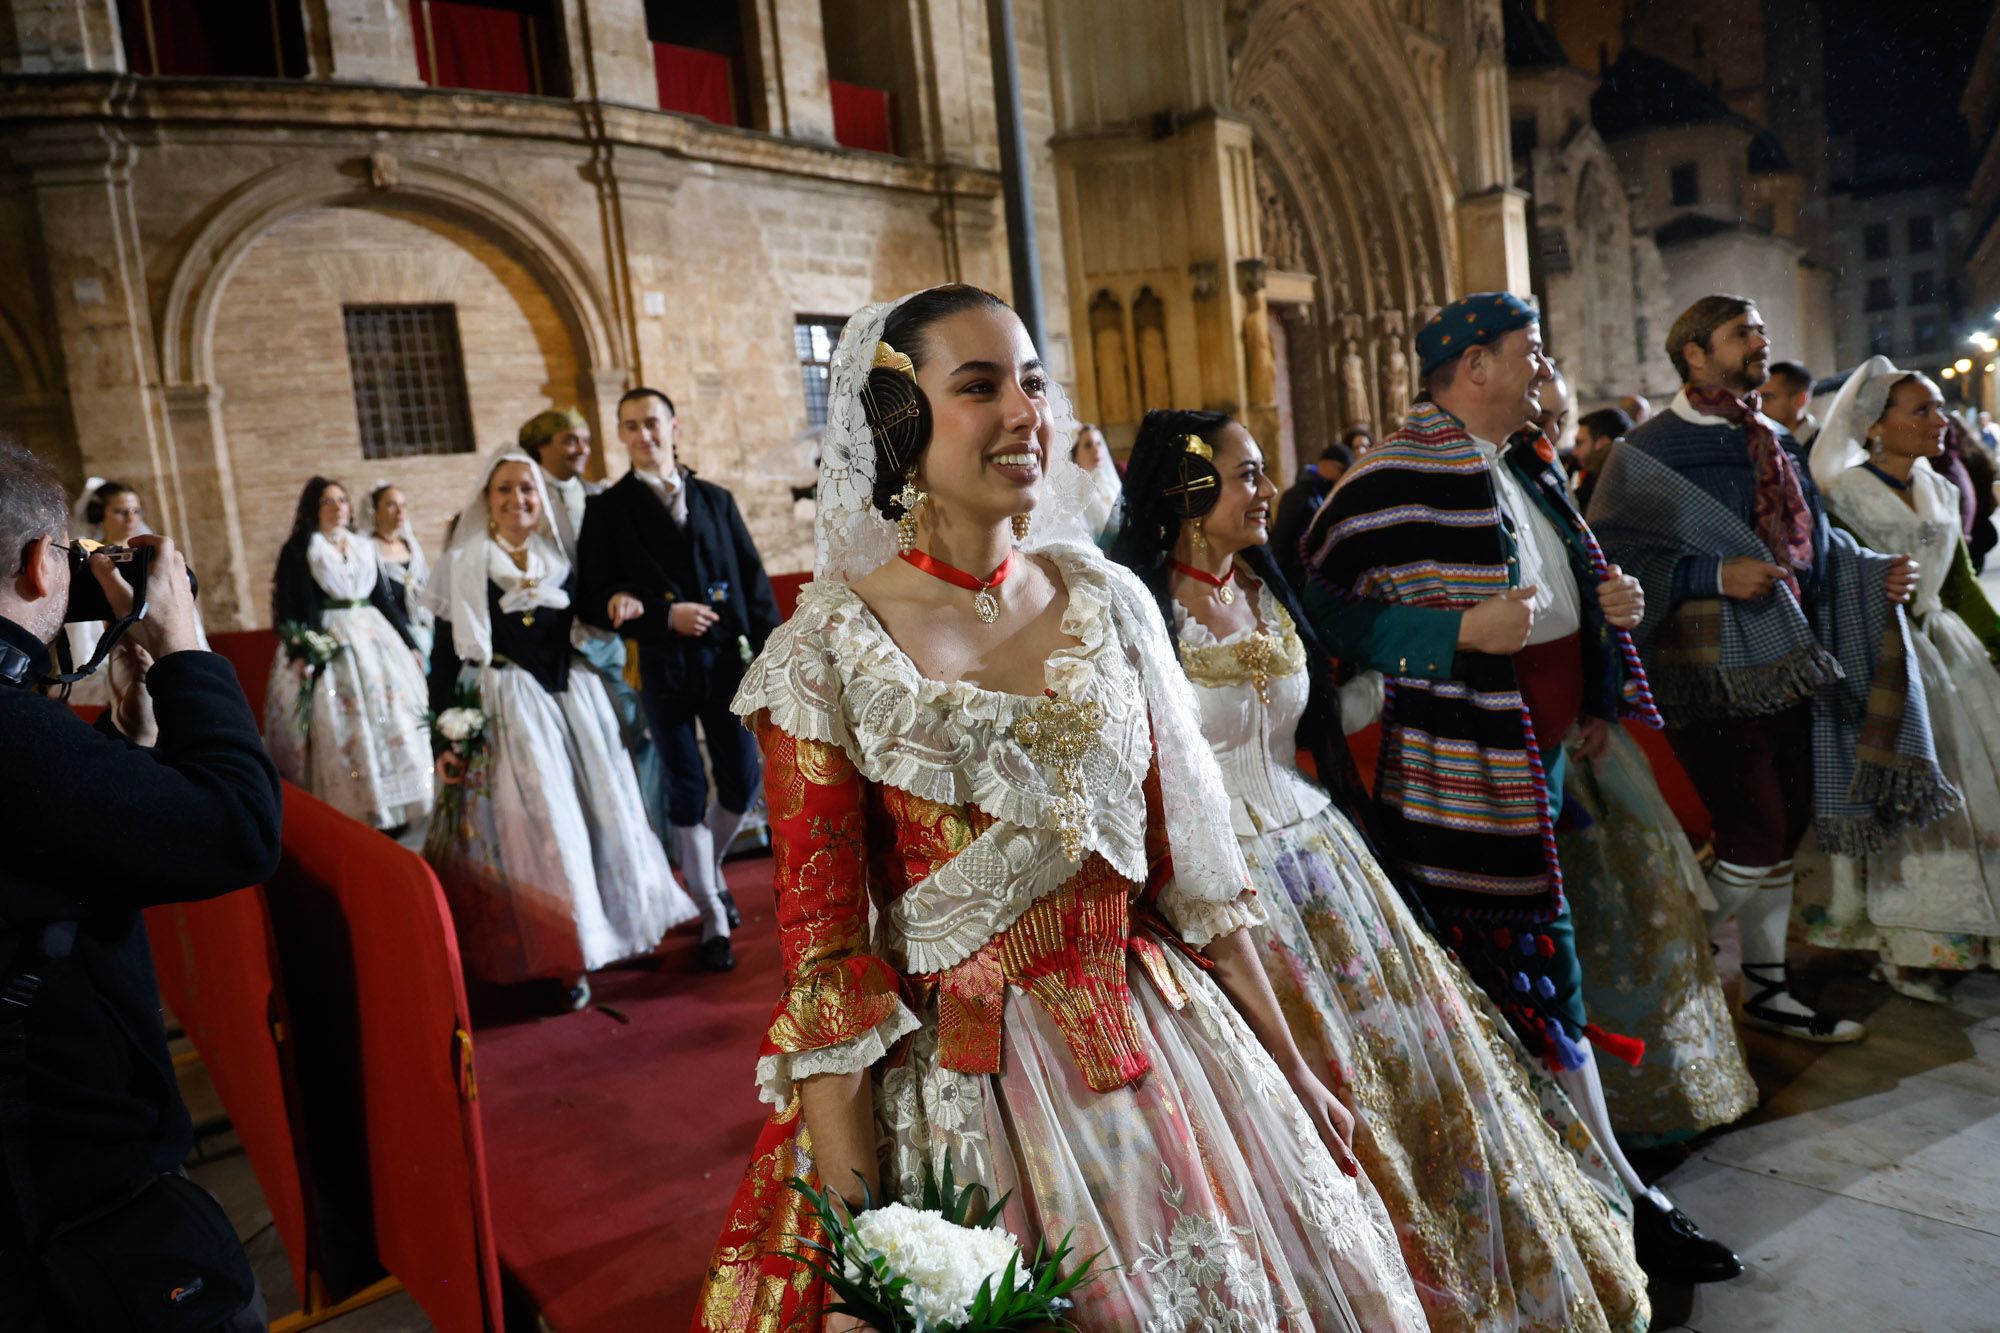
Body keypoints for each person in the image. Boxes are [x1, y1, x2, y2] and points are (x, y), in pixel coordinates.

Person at [698, 285, 1426, 1332]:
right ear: (897, 423)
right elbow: (825, 977)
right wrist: (864, 1255)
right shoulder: (826, 656)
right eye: (979, 386)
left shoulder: (1109, 601)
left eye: (1032, 382)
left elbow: (1194, 873)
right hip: (969, 1090)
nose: (1024, 412)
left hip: (1165, 1052)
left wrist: (1287, 1062)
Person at [1113, 408, 1650, 1331]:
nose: (1265, 490)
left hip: (1322, 857)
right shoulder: (1138, 611)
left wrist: (1422, 670)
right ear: (1188, 498)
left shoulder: (1267, 588)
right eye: (1245, 475)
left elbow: (1327, 705)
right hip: (1218, 882)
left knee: (1407, 1067)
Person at [1301, 291, 1741, 1285]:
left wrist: (1602, 615)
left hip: (1548, 756)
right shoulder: (1386, 478)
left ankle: (1597, 1186)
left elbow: (1558, 584)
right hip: (1459, 774)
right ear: (1472, 368)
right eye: (1528, 353)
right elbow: (1317, 612)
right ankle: (1597, 1199)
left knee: (1549, 968)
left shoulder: (1528, 467)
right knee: (1516, 977)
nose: (1544, 372)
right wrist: (1449, 633)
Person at [1587, 295, 1947, 1047]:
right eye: (1742, 332)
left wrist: (1870, 570)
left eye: (1759, 328)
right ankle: (1653, 977)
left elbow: (1811, 544)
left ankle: (1768, 989)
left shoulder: (1776, 437)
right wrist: (1712, 576)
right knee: (1753, 832)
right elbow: (1616, 559)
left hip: (1792, 662)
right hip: (1708, 672)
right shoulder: (1648, 450)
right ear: (1694, 353)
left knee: (1785, 836)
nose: (1761, 340)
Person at [0, 439, 279, 1332]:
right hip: (69, 1208)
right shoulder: (14, 738)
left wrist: (130, 748)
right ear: (44, 565)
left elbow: (50, 849)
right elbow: (241, 828)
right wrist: (189, 645)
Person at [1521, 392, 1756, 1147]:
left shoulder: (1549, 483)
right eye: (1541, 408)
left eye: (1554, 412)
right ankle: (1602, 1110)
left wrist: (1615, 608)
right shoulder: (1485, 484)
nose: (1549, 423)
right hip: (1531, 738)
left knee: (1643, 903)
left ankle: (1662, 1087)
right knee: (1588, 922)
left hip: (1588, 732)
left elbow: (1582, 595)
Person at [423, 450, 695, 1011]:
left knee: (600, 817)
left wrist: (621, 599)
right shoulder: (464, 562)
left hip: (573, 701)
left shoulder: (560, 556)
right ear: (486, 500)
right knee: (545, 830)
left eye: (526, 489)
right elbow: (444, 661)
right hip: (510, 707)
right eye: (504, 490)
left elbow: (594, 609)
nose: (517, 499)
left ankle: (610, 927)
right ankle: (565, 954)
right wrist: (444, 740)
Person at [1795, 360, 2000, 1002]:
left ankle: (1965, 933)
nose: (1941, 422)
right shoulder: (1842, 495)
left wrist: (1998, 645)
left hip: (1948, 654)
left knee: (1976, 790)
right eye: (1922, 410)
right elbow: (1828, 588)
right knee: (1908, 799)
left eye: (1939, 409)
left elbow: (1960, 583)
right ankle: (1904, 944)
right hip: (1885, 657)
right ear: (1875, 427)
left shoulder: (1937, 485)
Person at [578, 389, 780, 972]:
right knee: (686, 787)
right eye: (631, 426)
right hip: (660, 663)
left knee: (741, 784)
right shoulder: (608, 510)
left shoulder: (716, 499)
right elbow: (591, 594)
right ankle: (713, 913)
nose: (644, 435)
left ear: (675, 427)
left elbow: (751, 579)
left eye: (652, 423)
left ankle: (705, 870)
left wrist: (775, 654)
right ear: (620, 435)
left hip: (724, 663)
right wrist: (655, 611)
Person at [521, 407, 672, 841]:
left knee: (640, 730)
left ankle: (654, 836)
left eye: (585, 439)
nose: (582, 449)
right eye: (570, 440)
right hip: (557, 639)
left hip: (608, 634)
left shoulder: (599, 494)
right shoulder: (528, 499)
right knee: (593, 743)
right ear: (540, 445)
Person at [263, 477, 434, 832]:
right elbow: (289, 603)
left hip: (373, 637)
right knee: (341, 722)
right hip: (328, 638)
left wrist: (410, 644)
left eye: (342, 500)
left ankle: (395, 805)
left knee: (391, 714)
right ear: (314, 508)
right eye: (328, 501)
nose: (338, 507)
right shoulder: (301, 547)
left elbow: (383, 600)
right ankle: (355, 804)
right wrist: (302, 647)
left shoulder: (361, 545)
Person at [1269, 439, 1354, 588]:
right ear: (1325, 465)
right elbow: (1281, 540)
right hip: (1299, 578)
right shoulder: (1298, 495)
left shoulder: (1327, 492)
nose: (1343, 476)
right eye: (1341, 470)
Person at [365, 482, 433, 664]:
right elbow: (380, 598)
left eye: (403, 505)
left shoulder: (410, 544)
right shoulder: (368, 549)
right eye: (391, 505)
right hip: (391, 632)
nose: (400, 511)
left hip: (422, 624)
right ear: (375, 511)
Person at [1569, 407, 1630, 515]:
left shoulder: (1612, 491)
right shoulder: (1592, 476)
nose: (1574, 452)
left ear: (1602, 442)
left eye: (1580, 443)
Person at [1070, 422, 1123, 544]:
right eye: (1088, 445)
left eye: (1099, 444)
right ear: (1075, 454)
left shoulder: (1110, 484)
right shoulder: (1074, 494)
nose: (1096, 450)